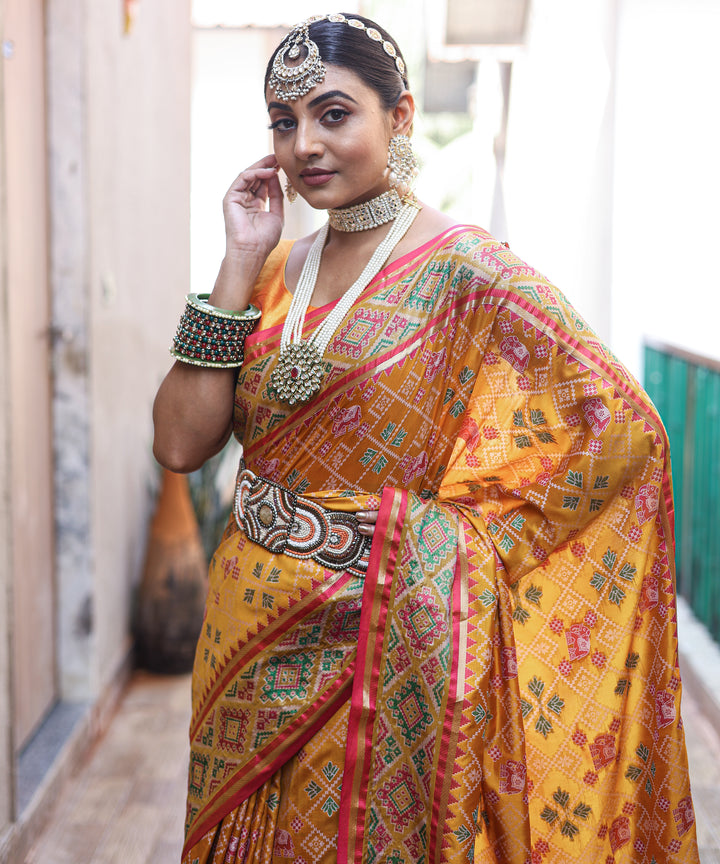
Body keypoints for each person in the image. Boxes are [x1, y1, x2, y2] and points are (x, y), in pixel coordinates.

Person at [153, 13, 699, 864]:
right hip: (243, 627)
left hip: (378, 636)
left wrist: (448, 546)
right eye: (284, 122)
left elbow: (623, 430)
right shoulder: (267, 271)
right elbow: (181, 447)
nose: (305, 145)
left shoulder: (468, 272)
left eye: (335, 114)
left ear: (400, 117)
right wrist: (233, 262)